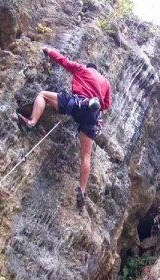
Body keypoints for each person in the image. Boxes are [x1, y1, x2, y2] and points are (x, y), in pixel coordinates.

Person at [18, 47, 112, 209]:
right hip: (91, 119)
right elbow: (107, 105)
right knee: (86, 156)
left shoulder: (83, 69)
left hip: (75, 105)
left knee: (42, 95)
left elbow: (63, 61)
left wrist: (48, 51)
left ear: (89, 67)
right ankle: (82, 190)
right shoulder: (106, 82)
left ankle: (31, 123)